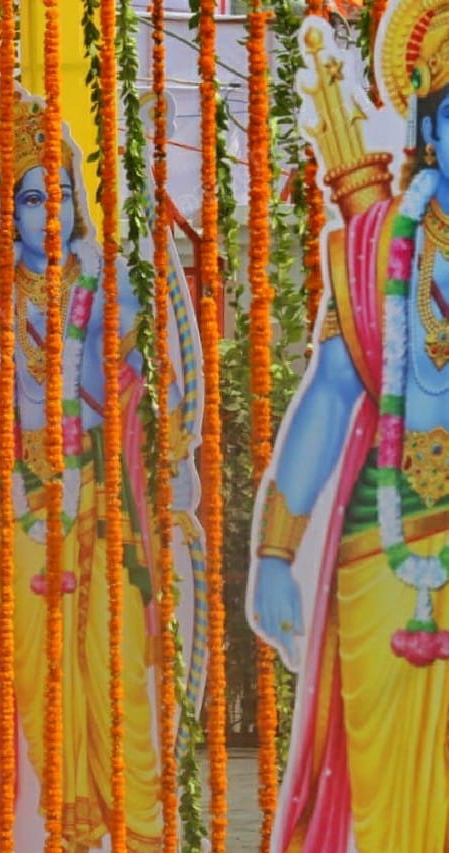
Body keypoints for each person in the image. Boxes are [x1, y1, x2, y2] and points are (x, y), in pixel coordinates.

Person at [0, 91, 203, 850]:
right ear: (5, 210)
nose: (47, 210)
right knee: (28, 679)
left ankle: (133, 827)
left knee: (117, 674)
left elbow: (147, 392)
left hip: (103, 513)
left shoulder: (111, 286)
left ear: (78, 201)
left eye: (60, 191)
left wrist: (129, 394)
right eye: (30, 195)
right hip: (21, 516)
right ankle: (41, 822)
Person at [250, 9, 449, 849]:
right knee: (388, 802)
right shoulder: (374, 255)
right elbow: (330, 396)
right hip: (389, 553)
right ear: (428, 129)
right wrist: (271, 553)